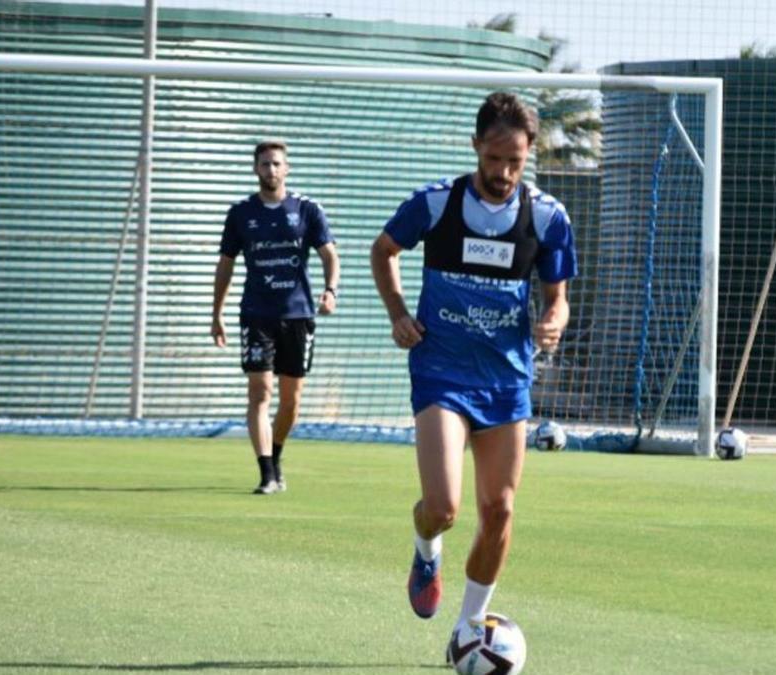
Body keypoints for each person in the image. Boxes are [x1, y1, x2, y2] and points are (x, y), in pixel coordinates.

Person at [369, 92, 577, 660]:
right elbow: (383, 250)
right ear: (475, 148)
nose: (504, 173)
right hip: (442, 372)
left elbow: (557, 298)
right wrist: (398, 313)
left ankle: (467, 630)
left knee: (501, 509)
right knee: (443, 507)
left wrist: (553, 321)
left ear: (529, 155)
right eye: (494, 159)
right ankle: (425, 547)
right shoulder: (436, 204)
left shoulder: (548, 217)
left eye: (516, 161)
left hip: (507, 380)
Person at [212, 140, 339, 495]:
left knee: (291, 399)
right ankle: (266, 472)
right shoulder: (240, 214)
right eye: (265, 164)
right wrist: (216, 313)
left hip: (298, 315)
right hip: (256, 315)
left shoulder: (307, 209)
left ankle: (277, 453)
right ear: (255, 169)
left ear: (287, 168)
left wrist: (331, 291)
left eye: (277, 164)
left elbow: (330, 254)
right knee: (260, 392)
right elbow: (225, 265)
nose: (271, 170)